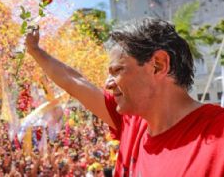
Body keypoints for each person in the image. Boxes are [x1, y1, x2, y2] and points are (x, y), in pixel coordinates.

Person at [25, 18, 224, 176]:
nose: (108, 83)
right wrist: (34, 51)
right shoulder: (131, 122)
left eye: (117, 70)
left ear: (159, 65)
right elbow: (73, 81)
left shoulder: (218, 138)